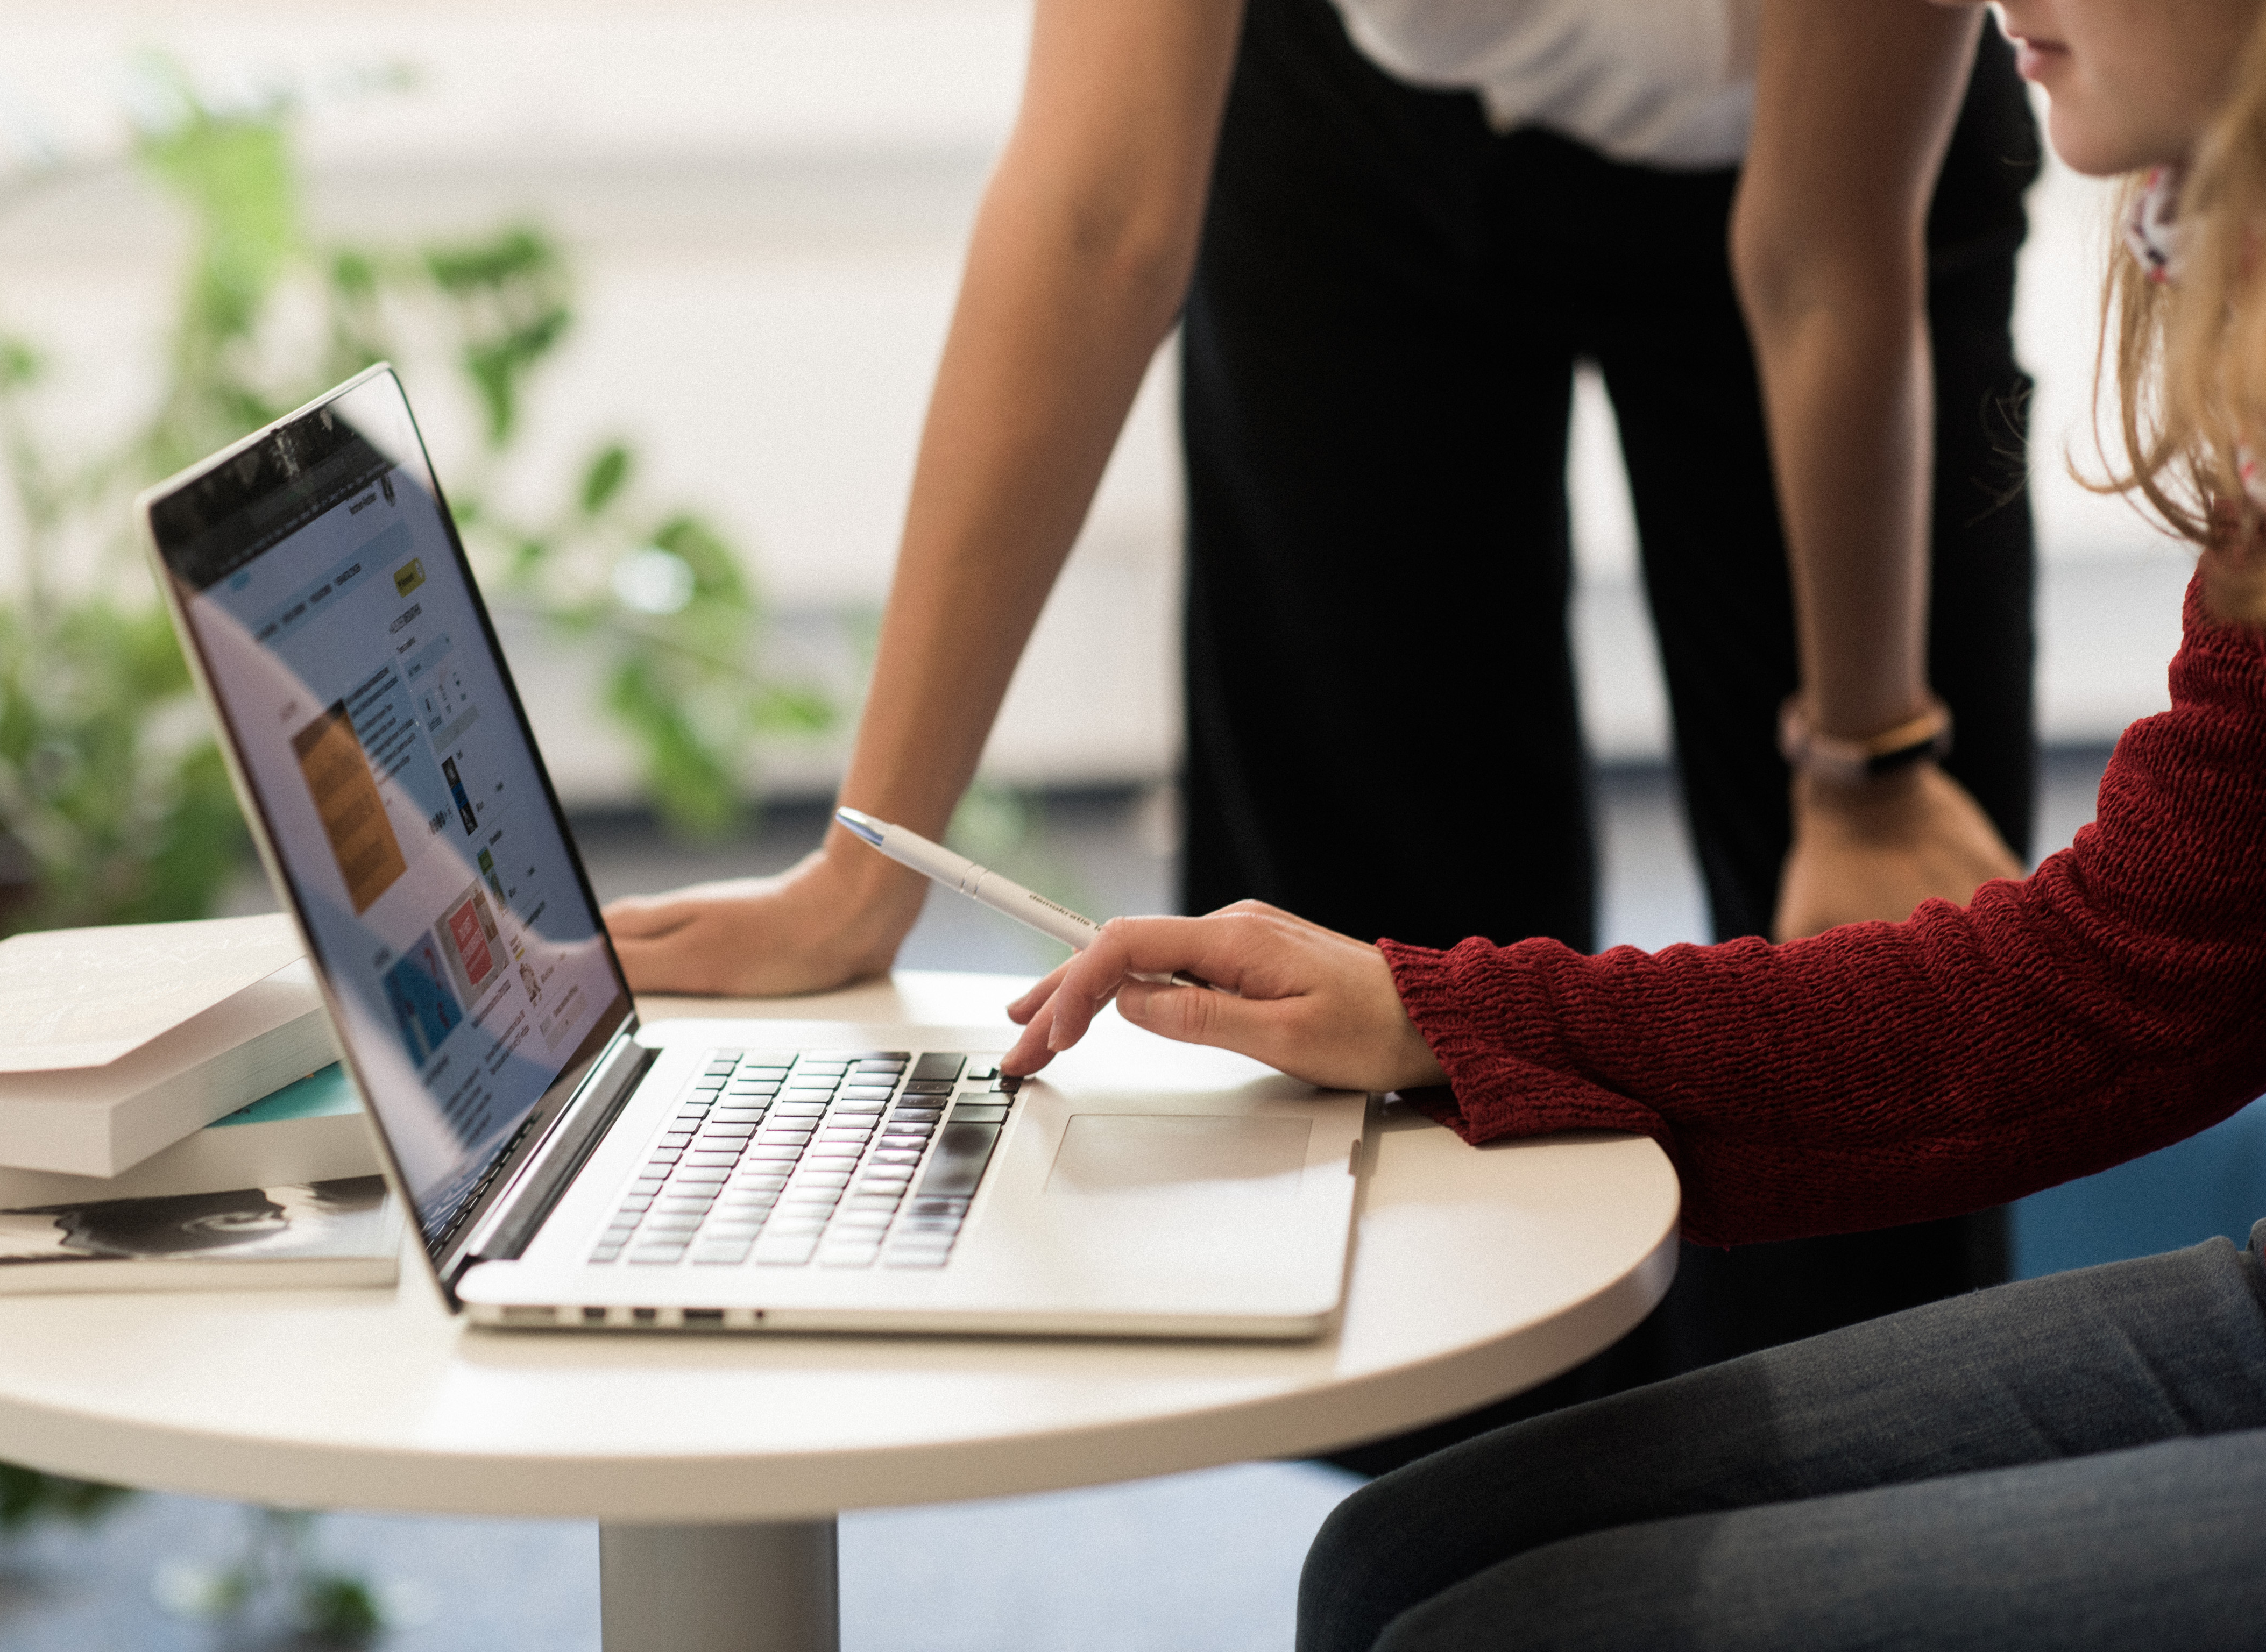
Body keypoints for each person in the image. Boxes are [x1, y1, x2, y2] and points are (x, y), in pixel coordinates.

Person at [605, 0, 2040, 1449]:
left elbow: (1819, 259)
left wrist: (1866, 773)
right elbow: (1096, 212)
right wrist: (869, 871)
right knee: (1380, 1027)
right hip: (1357, 130)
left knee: (1883, 1030)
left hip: (1832, 179)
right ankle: (1493, 1535)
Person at [999, 0, 2266, 1639]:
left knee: (1511, 1628)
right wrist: (1435, 1016)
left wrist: (1866, 759)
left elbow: (1827, 245)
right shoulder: (2219, 274)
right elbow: (2138, 973)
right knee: (1398, 1556)